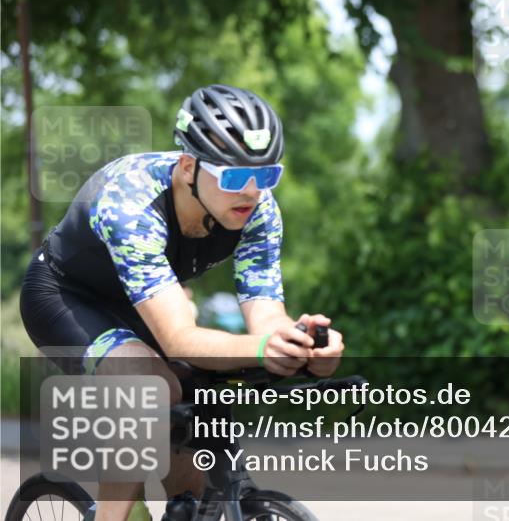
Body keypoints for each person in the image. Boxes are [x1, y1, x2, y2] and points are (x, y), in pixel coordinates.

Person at [19, 84, 345, 521]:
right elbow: (178, 338)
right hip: (66, 296)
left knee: (194, 480)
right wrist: (265, 348)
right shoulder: (131, 203)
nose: (251, 192)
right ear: (188, 167)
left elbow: (265, 315)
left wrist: (300, 347)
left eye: (266, 175)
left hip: (148, 304)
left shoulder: (259, 211)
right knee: (149, 386)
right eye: (233, 177)